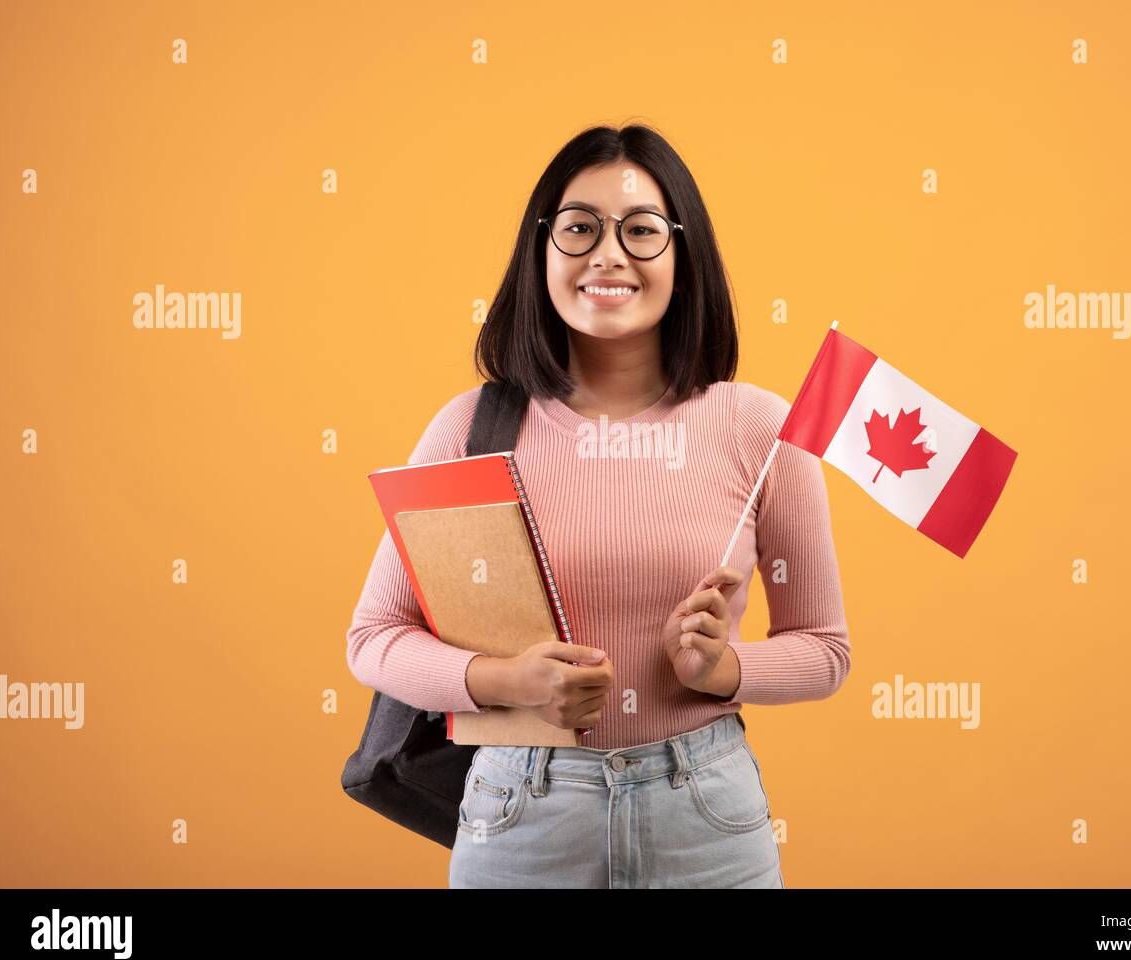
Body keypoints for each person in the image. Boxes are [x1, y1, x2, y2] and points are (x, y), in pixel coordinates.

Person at [346, 123, 851, 888]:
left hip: (706, 815)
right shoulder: (472, 429)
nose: (608, 254)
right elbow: (373, 639)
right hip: (521, 811)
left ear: (684, 257)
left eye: (642, 230)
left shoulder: (759, 428)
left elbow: (825, 649)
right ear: (541, 250)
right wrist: (509, 680)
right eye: (579, 228)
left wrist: (722, 670)